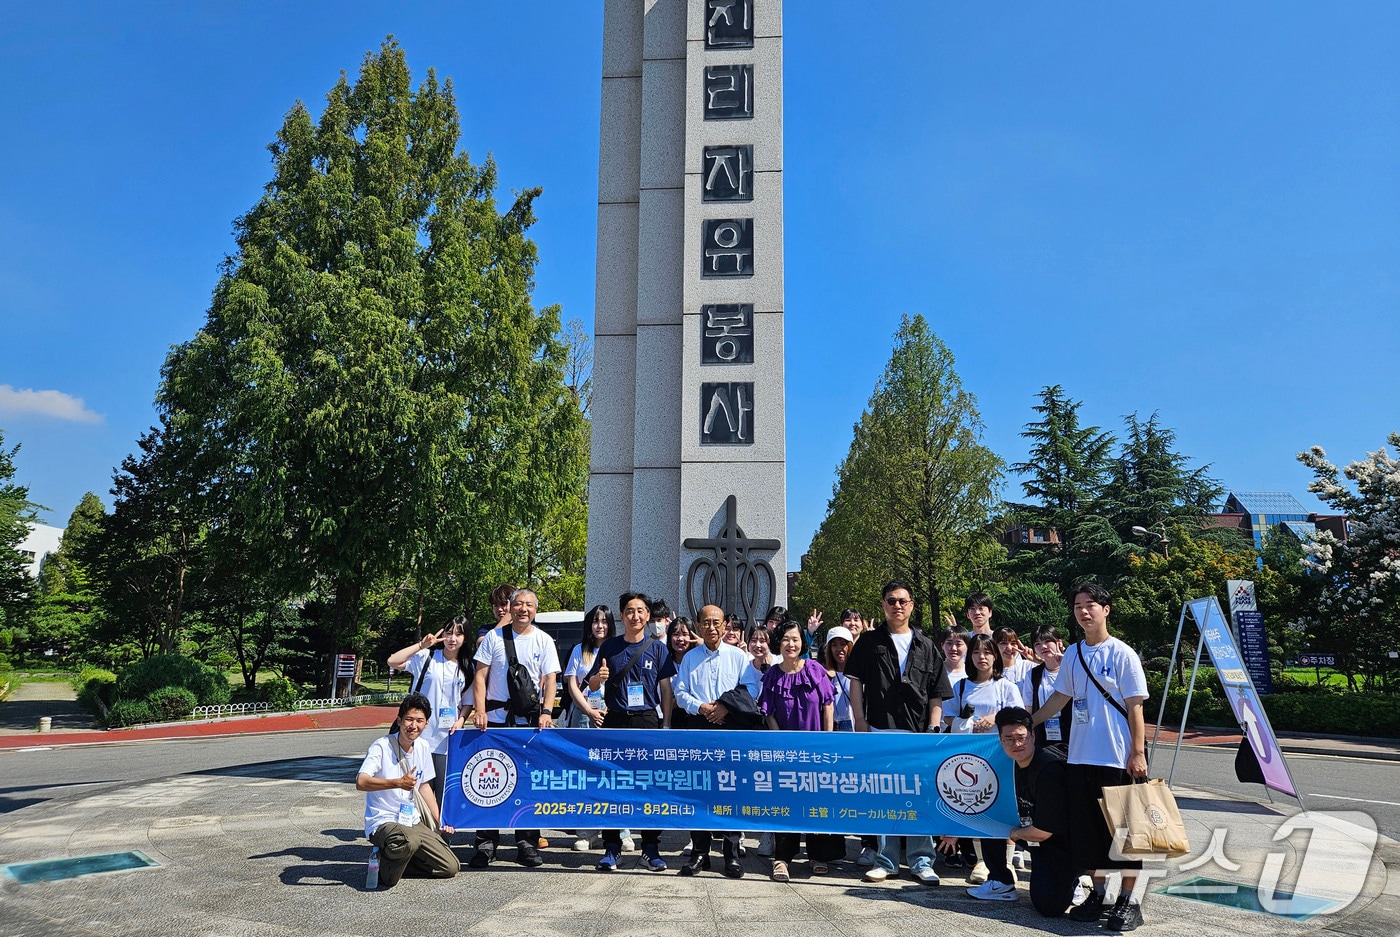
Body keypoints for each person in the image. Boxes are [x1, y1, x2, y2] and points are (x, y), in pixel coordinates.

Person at [1032, 583, 1149, 932]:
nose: (1084, 611)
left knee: (1126, 835)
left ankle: (1128, 901)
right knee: (1087, 833)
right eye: (1078, 606)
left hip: (1117, 758)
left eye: (1091, 605)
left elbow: (1135, 707)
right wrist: (1030, 722)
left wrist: (1137, 753)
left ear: (1106, 609)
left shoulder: (1123, 654)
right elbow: (1060, 698)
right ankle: (1098, 895)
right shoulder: (1072, 654)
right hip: (1080, 758)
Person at [844, 580, 953, 885]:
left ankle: (921, 862)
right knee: (884, 798)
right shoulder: (869, 642)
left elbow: (936, 692)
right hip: (880, 729)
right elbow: (855, 683)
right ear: (883, 605)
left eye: (903, 601)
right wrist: (860, 720)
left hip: (918, 734)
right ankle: (886, 861)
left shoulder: (926, 645)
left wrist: (933, 728)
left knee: (920, 798)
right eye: (891, 601)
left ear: (912, 605)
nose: (897, 606)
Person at [468, 588, 560, 869]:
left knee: (528, 781)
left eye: (529, 605)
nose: (523, 609)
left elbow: (550, 679)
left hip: (529, 722)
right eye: (518, 604)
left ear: (536, 609)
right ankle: (486, 843)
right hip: (495, 720)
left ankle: (527, 843)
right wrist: (480, 710)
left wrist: (546, 712)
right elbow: (480, 675)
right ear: (510, 607)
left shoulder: (543, 640)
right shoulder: (493, 638)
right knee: (489, 778)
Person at [585, 591, 671, 871]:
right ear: (621, 616)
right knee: (612, 784)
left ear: (648, 616)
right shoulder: (610, 647)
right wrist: (599, 678)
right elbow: (592, 685)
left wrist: (666, 725)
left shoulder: (658, 648)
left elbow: (666, 690)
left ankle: (650, 848)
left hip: (647, 722)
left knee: (648, 786)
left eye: (640, 611)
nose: (635, 616)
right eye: (630, 611)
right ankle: (612, 848)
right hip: (616, 721)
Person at [963, 707, 1079, 914]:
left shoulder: (1049, 769)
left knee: (1049, 907)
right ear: (1000, 740)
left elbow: (1043, 832)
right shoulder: (1003, 764)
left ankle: (1075, 877)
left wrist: (1014, 833)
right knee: (988, 813)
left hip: (1059, 842)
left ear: (1033, 736)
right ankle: (1000, 880)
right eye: (1009, 739)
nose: (1016, 744)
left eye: (1021, 737)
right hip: (1031, 833)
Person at [672, 603, 753, 878]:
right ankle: (699, 853)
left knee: (730, 790)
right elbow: (680, 693)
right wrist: (702, 707)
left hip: (730, 727)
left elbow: (751, 688)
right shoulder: (690, 658)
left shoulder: (739, 657)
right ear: (698, 626)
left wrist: (725, 707)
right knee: (700, 790)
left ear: (724, 626)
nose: (711, 627)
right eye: (706, 622)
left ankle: (731, 854)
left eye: (716, 622)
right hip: (698, 726)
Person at [759, 618, 839, 880]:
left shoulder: (814, 669)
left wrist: (827, 740)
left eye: (795, 639)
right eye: (785, 639)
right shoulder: (772, 675)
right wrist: (778, 740)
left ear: (802, 642)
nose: (790, 644)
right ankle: (782, 857)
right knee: (786, 802)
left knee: (817, 801)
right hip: (786, 752)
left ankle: (818, 855)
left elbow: (828, 705)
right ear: (778, 643)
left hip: (816, 748)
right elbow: (768, 712)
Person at [944, 632, 1024, 886]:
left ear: (995, 656)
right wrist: (967, 723)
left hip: (1002, 756)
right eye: (977, 652)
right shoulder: (961, 686)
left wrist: (995, 718)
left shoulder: (1006, 686)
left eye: (987, 652)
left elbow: (1019, 715)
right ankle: (982, 861)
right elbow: (948, 716)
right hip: (972, 758)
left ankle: (1006, 862)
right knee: (977, 806)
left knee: (1004, 808)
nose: (982, 657)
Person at [355, 693, 459, 887]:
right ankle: (386, 871)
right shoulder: (381, 746)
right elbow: (361, 782)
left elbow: (424, 786)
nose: (413, 725)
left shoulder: (423, 747)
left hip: (411, 819)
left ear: (426, 724)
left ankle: (395, 861)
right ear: (399, 720)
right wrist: (397, 783)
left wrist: (440, 820)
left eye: (419, 721)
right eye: (409, 719)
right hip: (383, 820)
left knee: (450, 866)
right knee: (408, 841)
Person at [385, 616, 473, 812]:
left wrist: (461, 720)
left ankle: (441, 829)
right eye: (448, 633)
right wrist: (421, 645)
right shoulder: (427, 657)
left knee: (444, 792)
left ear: (466, 638)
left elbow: (467, 701)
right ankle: (414, 827)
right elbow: (392, 661)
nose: (452, 638)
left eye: (459, 634)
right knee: (415, 791)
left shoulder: (468, 667)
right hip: (418, 735)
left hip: (447, 738)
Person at [564, 605, 617, 852]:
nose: (600, 626)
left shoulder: (617, 648)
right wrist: (589, 710)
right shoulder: (579, 650)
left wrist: (608, 709)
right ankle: (586, 832)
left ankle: (620, 831)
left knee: (613, 773)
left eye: (604, 621)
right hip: (583, 714)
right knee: (584, 773)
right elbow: (573, 685)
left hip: (610, 714)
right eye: (596, 621)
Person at [660, 617, 698, 728]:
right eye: (676, 634)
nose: (680, 639)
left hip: (695, 717)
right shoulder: (664, 662)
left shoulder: (699, 662)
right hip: (670, 718)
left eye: (685, 634)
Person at [823, 625, 855, 732]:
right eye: (834, 645)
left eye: (843, 644)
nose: (839, 649)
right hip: (833, 728)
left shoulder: (859, 675)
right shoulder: (824, 676)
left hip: (856, 728)